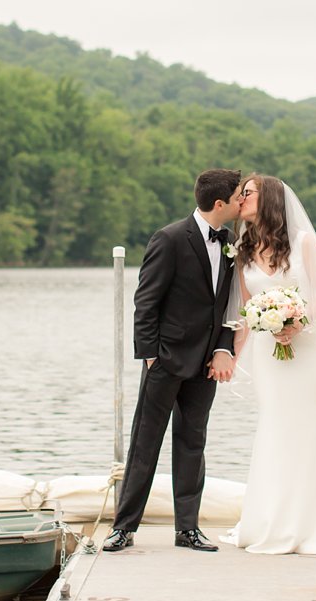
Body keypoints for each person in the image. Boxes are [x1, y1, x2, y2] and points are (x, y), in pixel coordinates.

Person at [104, 168, 242, 553]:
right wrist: (150, 356)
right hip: (165, 360)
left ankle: (188, 529)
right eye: (236, 198)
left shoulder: (231, 243)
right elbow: (145, 302)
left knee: (192, 443)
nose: (240, 204)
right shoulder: (168, 238)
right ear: (220, 203)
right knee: (145, 444)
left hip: (206, 365)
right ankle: (124, 527)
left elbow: (230, 304)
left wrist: (224, 347)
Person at [221, 174, 316, 555]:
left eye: (248, 193)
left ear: (271, 198)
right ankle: (268, 521)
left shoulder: (304, 243)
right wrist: (228, 355)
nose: (240, 199)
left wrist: (296, 322)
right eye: (240, 193)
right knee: (274, 430)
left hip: (305, 352)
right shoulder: (243, 248)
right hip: (268, 357)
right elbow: (244, 312)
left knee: (306, 434)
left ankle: (306, 527)